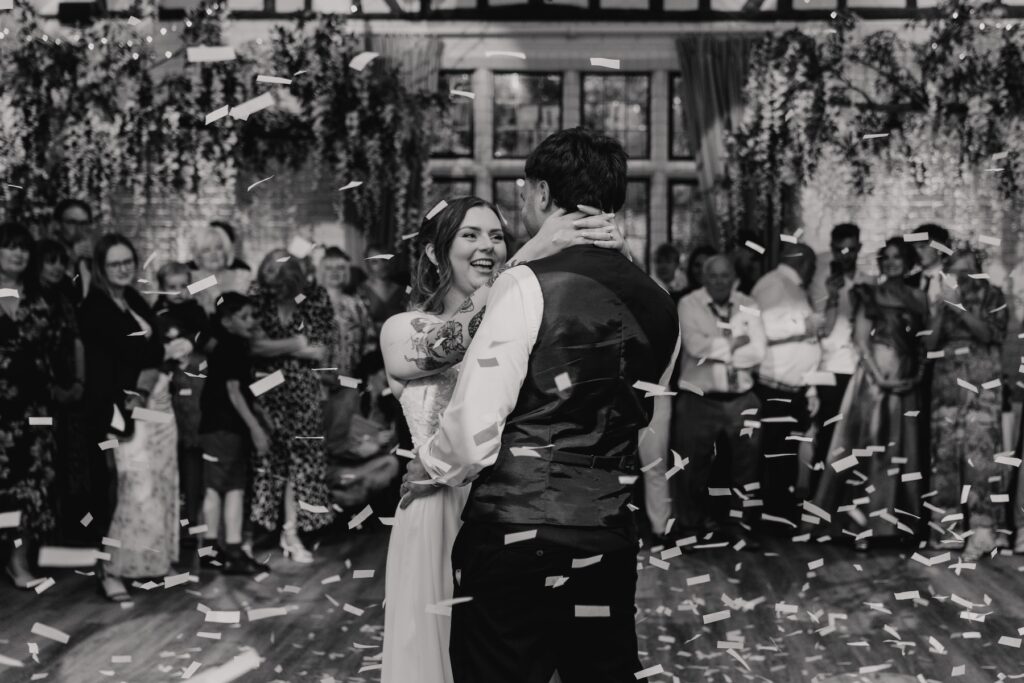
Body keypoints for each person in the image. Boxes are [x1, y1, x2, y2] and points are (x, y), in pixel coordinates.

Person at [397, 128, 679, 683]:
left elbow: (477, 427)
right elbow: (645, 416)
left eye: (524, 192)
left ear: (545, 194)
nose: (521, 203)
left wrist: (431, 463)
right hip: (607, 539)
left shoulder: (526, 284)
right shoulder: (661, 302)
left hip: (517, 540)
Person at [379, 194, 623, 683]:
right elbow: (448, 342)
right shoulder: (403, 328)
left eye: (496, 235)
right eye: (470, 235)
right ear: (434, 253)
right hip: (436, 509)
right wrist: (526, 257)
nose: (487, 246)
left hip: (509, 505)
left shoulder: (525, 322)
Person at [809, 238, 928, 550]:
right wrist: (881, 379)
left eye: (897, 257)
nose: (891, 263)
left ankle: (898, 526)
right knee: (870, 449)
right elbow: (861, 341)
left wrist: (915, 376)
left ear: (908, 262)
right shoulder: (870, 293)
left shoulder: (919, 297)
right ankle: (860, 526)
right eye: (886, 258)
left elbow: (922, 343)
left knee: (902, 452)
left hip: (905, 382)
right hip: (875, 382)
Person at [79, 234, 179, 601]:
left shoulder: (134, 298)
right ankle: (108, 570)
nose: (123, 269)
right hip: (117, 409)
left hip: (153, 405)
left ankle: (144, 563)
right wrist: (134, 382)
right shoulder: (94, 309)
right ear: (101, 269)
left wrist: (150, 370)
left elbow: (152, 348)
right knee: (121, 489)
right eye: (114, 264)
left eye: (127, 262)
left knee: (152, 488)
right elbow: (100, 368)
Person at [248, 250, 338, 562]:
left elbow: (320, 351)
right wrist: (298, 345)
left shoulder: (315, 297)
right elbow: (251, 345)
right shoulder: (257, 297)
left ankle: (291, 532)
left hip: (303, 389)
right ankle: (254, 533)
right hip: (264, 389)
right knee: (266, 461)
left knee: (301, 461)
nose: (276, 288)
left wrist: (279, 348)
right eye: (271, 281)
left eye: (282, 282)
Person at [672, 254, 766, 548]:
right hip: (699, 398)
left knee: (745, 468)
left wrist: (721, 348)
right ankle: (691, 526)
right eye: (713, 276)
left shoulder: (748, 304)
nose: (719, 282)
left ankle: (737, 526)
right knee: (691, 466)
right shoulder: (689, 304)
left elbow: (758, 352)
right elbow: (695, 346)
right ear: (704, 278)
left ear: (734, 277)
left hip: (742, 398)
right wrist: (737, 342)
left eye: (725, 276)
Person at [927, 248, 1009, 561]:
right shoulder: (942, 297)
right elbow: (929, 344)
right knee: (944, 457)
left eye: (965, 271)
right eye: (953, 270)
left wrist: (958, 308)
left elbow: (992, 334)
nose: (959, 277)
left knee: (980, 459)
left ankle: (984, 533)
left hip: (981, 389)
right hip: (946, 389)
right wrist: (940, 309)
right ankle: (945, 530)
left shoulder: (993, 295)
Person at [0, 223, 62, 589]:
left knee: (32, 484)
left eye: (23, 248)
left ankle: (19, 561)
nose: (18, 254)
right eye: (9, 247)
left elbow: (55, 347)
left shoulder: (41, 298)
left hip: (35, 407)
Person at [751, 242, 824, 531]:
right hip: (774, 388)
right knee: (775, 456)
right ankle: (773, 518)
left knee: (786, 454)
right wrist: (803, 325)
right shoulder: (773, 285)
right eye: (813, 266)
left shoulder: (791, 286)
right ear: (803, 263)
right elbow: (761, 328)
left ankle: (781, 513)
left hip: (794, 389)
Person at [198, 292, 271, 576]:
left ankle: (218, 549)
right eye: (245, 317)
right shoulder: (232, 346)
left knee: (224, 488)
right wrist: (256, 428)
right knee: (227, 488)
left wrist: (261, 417)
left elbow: (241, 388)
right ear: (227, 321)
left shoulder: (229, 345)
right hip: (224, 426)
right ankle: (227, 550)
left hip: (219, 426)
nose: (251, 321)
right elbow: (233, 390)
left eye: (253, 316)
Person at [152, 262, 211, 569]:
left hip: (195, 397)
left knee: (193, 457)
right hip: (166, 397)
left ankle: (193, 526)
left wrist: (193, 342)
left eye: (182, 285)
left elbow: (207, 338)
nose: (177, 292)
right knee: (169, 461)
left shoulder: (197, 314)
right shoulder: (155, 316)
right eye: (170, 285)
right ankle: (169, 528)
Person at [808, 224, 875, 478]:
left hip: (860, 366)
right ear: (832, 249)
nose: (845, 254)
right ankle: (817, 497)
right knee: (827, 435)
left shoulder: (869, 282)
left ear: (859, 248)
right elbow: (820, 329)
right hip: (829, 367)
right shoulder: (818, 282)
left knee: (857, 436)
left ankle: (848, 498)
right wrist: (832, 296)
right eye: (839, 249)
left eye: (850, 248)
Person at [33, 239, 87, 544]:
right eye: (49, 261)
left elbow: (77, 339)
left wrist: (78, 382)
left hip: (70, 386)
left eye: (60, 262)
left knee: (71, 460)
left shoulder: (64, 298)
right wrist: (52, 387)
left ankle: (68, 531)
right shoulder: (28, 298)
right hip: (40, 391)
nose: (56, 268)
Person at [188, 224, 252, 317]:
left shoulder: (243, 276)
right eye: (206, 250)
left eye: (219, 248)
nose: (213, 254)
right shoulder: (189, 278)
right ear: (198, 255)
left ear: (226, 251)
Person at [50, 198, 95, 302]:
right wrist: (69, 262)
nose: (79, 229)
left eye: (84, 223)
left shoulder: (91, 261)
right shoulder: (43, 253)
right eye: (72, 222)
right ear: (57, 225)